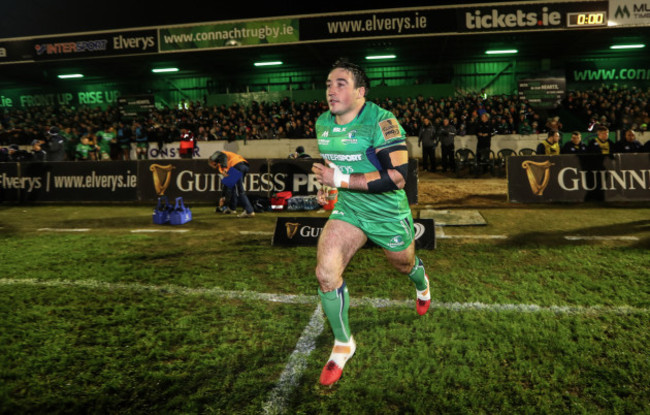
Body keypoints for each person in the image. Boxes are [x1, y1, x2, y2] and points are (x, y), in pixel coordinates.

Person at [311, 59, 431, 386]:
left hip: (387, 211)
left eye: (340, 84)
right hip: (350, 208)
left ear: (360, 92)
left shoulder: (383, 122)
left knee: (403, 265)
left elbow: (397, 177)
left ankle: (421, 282)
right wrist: (327, 187)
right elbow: (331, 164)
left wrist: (341, 179)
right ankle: (343, 343)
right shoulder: (323, 122)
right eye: (328, 84)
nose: (331, 90)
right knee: (325, 273)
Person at [208, 150, 255, 217]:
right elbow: (227, 183)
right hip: (244, 165)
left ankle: (249, 211)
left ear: (212, 162)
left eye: (211, 165)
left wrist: (224, 167)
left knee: (239, 190)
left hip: (237, 165)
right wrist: (223, 197)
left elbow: (223, 156)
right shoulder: (222, 164)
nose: (212, 167)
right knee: (233, 187)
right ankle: (232, 208)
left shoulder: (215, 157)